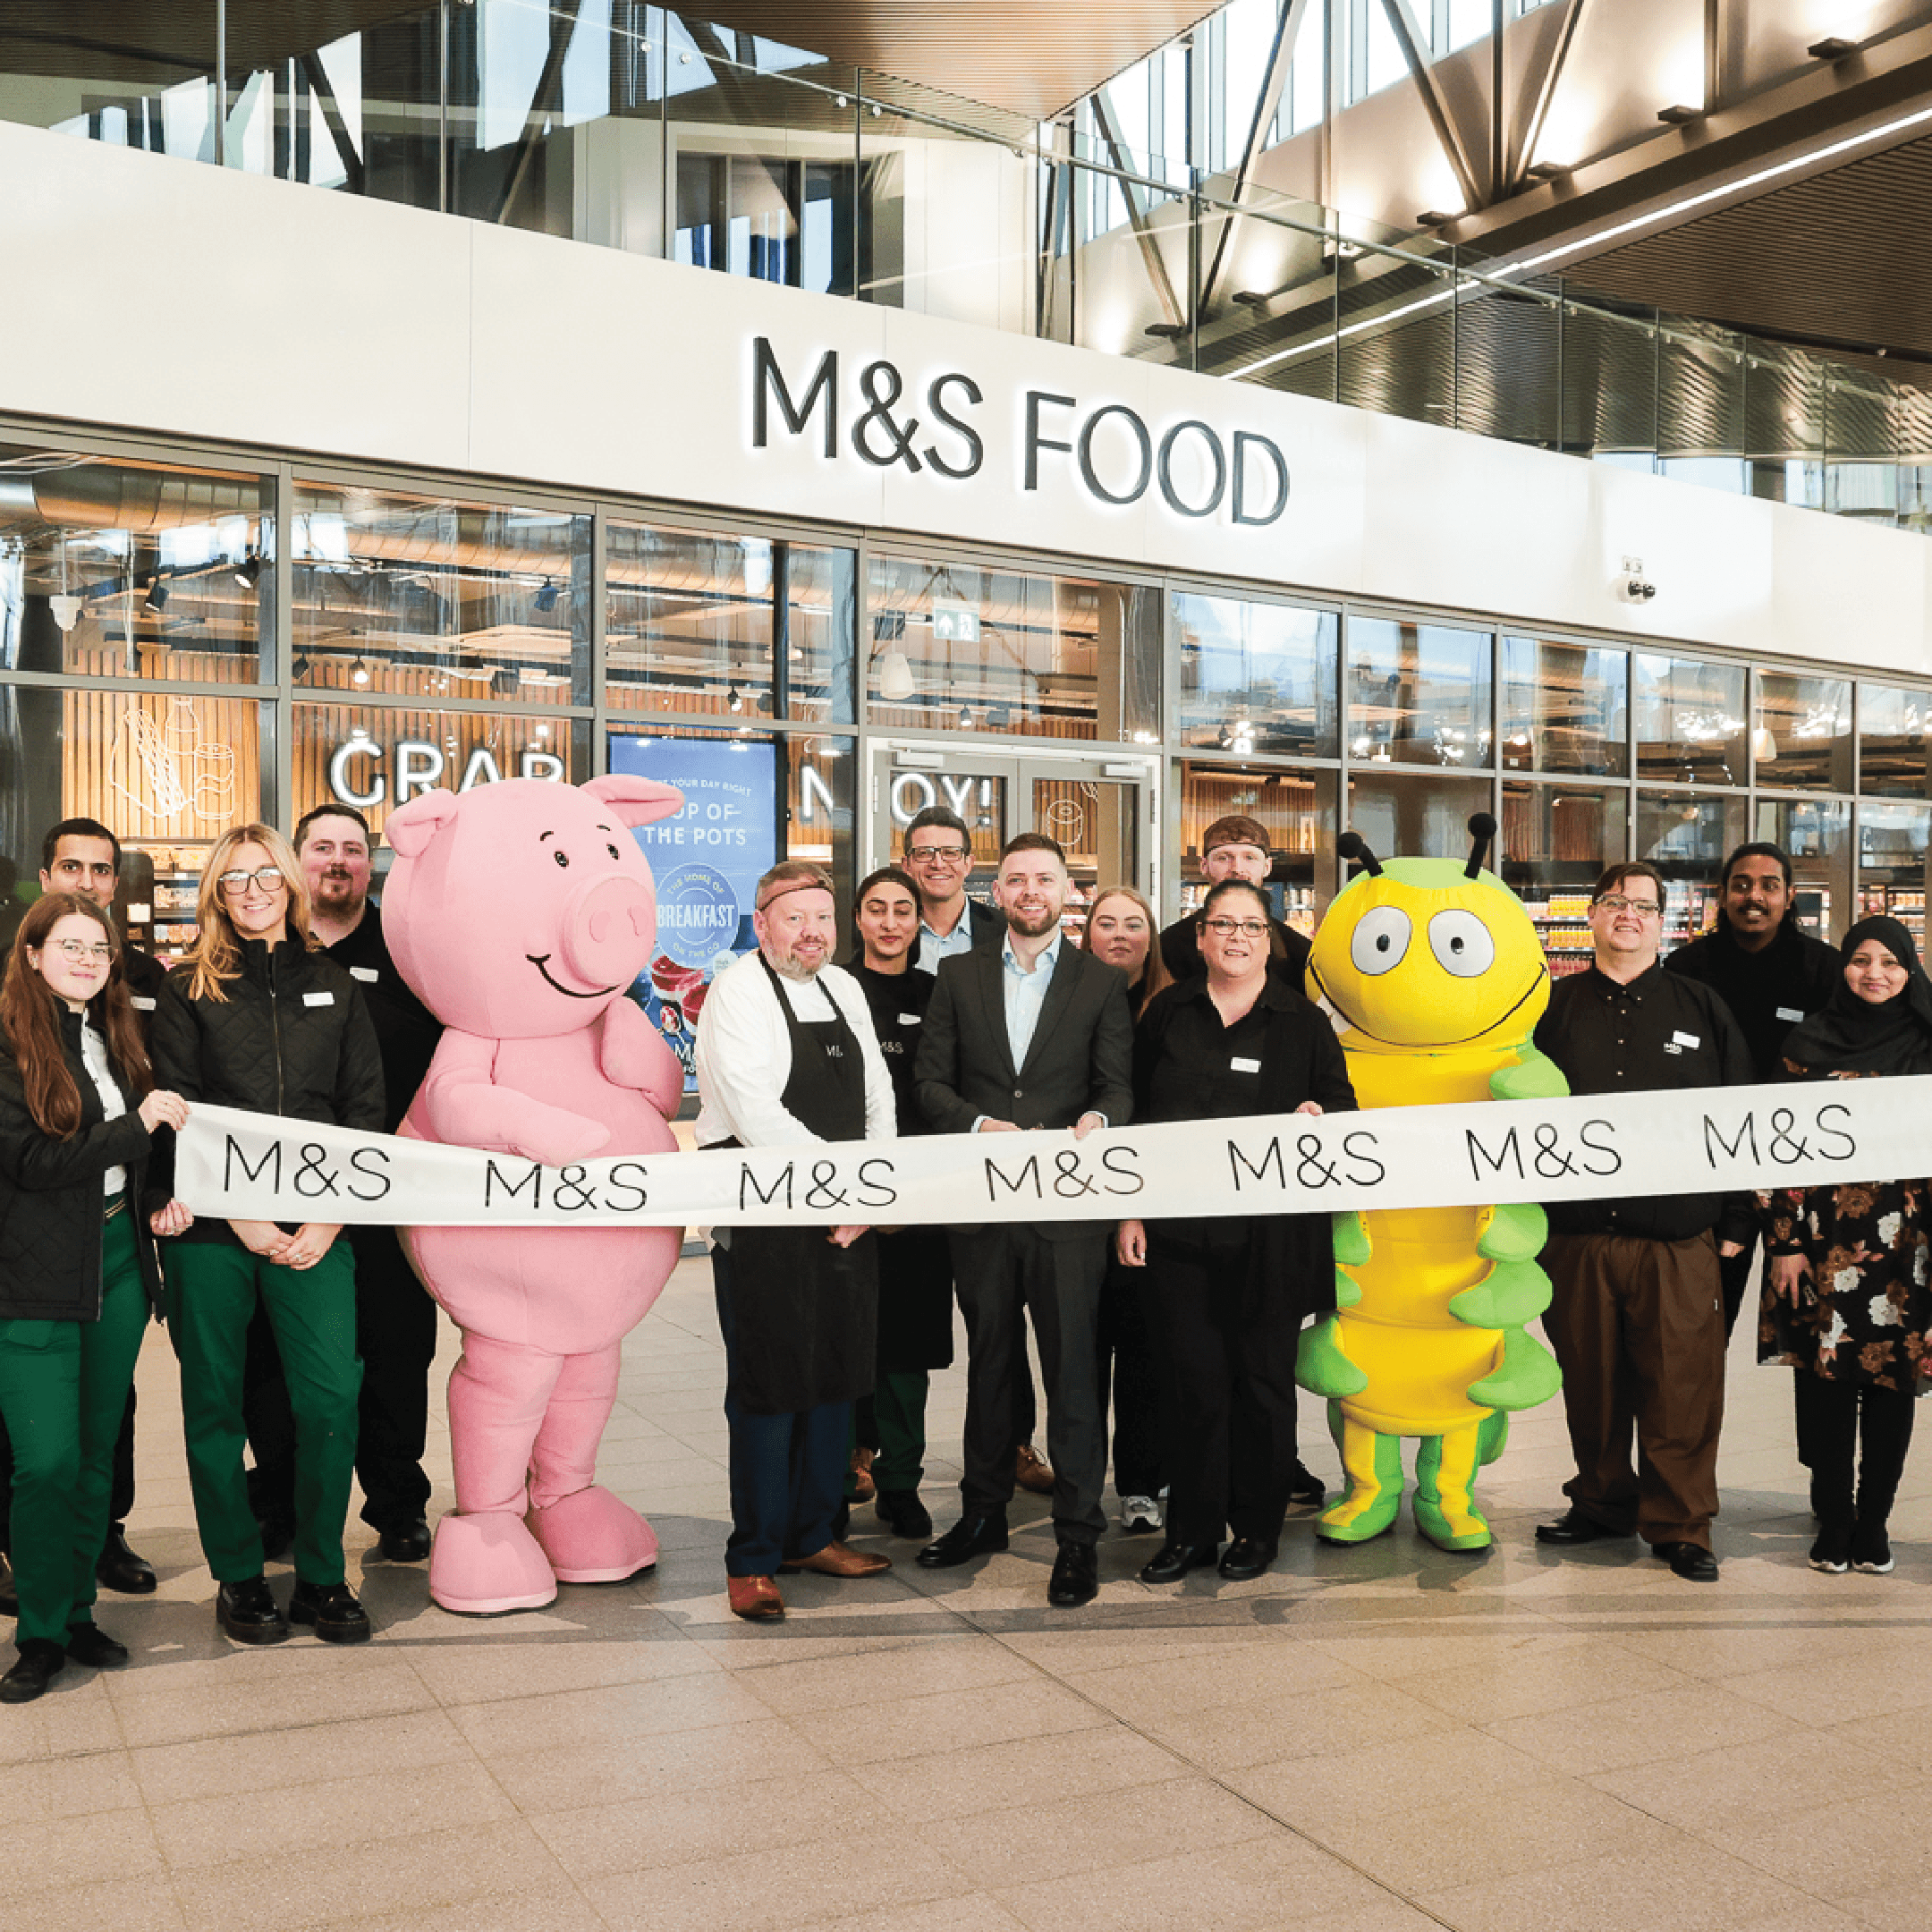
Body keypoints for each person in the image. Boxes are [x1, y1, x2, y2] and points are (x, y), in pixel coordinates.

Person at [151, 824, 384, 1645]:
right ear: (216, 892)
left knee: (329, 1397)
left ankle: (323, 1575)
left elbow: (363, 1112)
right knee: (213, 1404)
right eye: (234, 880)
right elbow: (174, 1110)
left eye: (265, 876)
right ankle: (239, 1577)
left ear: (290, 882)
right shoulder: (191, 988)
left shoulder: (336, 984)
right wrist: (247, 1221)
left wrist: (325, 1220)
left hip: (318, 1230)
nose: (252, 891)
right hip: (217, 1232)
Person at [914, 832, 1134, 1608]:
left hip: (1068, 1217)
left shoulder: (1101, 983)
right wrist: (976, 1127)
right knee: (993, 1369)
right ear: (997, 892)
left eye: (1045, 878)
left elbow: (1117, 1085)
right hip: (983, 1213)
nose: (1031, 890)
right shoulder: (958, 974)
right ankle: (982, 1515)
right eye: (1016, 880)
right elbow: (930, 1081)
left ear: (1067, 892)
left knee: (1074, 1372)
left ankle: (1078, 1537)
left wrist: (1101, 1122)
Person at [1119, 879, 1356, 1582]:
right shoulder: (1169, 1013)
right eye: (1223, 924)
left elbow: (1343, 1108)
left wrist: (1321, 1114)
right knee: (1190, 1386)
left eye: (1252, 926)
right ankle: (1191, 1531)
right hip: (1179, 1236)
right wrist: (1129, 1211)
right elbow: (1133, 1119)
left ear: (1270, 939)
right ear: (1200, 937)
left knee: (1261, 1387)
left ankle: (1256, 1530)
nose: (1237, 938)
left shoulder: (1302, 1022)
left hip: (1270, 1242)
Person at [1532, 860, 1754, 1583]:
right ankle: (1600, 1502)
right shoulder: (1551, 1010)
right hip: (1577, 1238)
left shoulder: (1702, 1008)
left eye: (1644, 906)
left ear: (1664, 922)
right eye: (1614, 902)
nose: (1628, 914)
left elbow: (1738, 1120)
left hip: (1678, 1239)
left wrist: (1736, 1222)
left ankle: (1682, 1524)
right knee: (1590, 1384)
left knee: (1681, 1385)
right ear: (1591, 917)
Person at [0, 894, 191, 1701]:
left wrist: (155, 1198)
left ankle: (75, 1613)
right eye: (69, 945)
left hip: (117, 1256)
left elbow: (128, 1157)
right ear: (34, 952)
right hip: (32, 1273)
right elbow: (37, 1164)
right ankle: (38, 1632)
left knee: (92, 1459)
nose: (87, 959)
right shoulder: (11, 1041)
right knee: (44, 1464)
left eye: (99, 948)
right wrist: (138, 1127)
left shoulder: (117, 1037)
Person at [694, 860, 896, 1620]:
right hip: (766, 1209)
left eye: (822, 918)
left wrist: (872, 1187)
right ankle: (753, 1557)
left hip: (847, 1209)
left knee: (838, 1375)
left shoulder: (845, 988)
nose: (812, 933)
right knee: (769, 1385)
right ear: (762, 922)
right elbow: (755, 1111)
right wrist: (837, 1188)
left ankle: (816, 1533)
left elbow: (877, 1093)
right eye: (795, 918)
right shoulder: (737, 991)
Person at [243, 805, 443, 1563]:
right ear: (297, 861)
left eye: (353, 851)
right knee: (275, 1357)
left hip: (388, 1192)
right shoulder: (266, 949)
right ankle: (283, 1503)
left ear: (371, 865)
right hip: (281, 1195)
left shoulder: (409, 951)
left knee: (395, 1352)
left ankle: (397, 1503)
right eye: (322, 848)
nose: (338, 861)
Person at [1759, 917, 1932, 1575]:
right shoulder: (1806, 1044)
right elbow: (1773, 1147)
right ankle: (1833, 1519)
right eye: (1860, 960)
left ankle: (1874, 1523)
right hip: (1821, 1244)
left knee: (1893, 1386)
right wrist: (1783, 1244)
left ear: (1911, 969)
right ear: (1843, 968)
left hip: (1908, 1248)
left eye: (1891, 962)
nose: (1875, 973)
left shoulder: (1927, 1042)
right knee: (1827, 1386)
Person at [902, 804, 1053, 1499]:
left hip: (998, 1162)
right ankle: (874, 1449)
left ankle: (1013, 1444)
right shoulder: (886, 927)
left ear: (971, 866)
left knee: (999, 1317)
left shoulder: (1010, 934)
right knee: (903, 1312)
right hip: (912, 1153)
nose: (937, 862)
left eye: (951, 851)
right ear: (907, 861)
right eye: (923, 851)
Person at [1665, 843, 1839, 1335]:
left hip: (1803, 1159)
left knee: (1819, 1319)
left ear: (1790, 896)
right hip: (1715, 1161)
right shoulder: (1687, 968)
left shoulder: (1823, 969)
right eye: (1741, 885)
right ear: (1723, 895)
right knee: (1701, 1321)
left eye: (1769, 885)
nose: (1754, 896)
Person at [846, 865, 954, 1540]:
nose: (890, 922)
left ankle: (901, 1483)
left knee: (908, 1349)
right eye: (877, 909)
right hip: (842, 1200)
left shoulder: (939, 995)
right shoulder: (829, 990)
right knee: (842, 1344)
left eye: (903, 910)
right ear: (857, 919)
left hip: (918, 1200)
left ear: (919, 921)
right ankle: (836, 1475)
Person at [1080, 886, 1172, 1534]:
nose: (1119, 935)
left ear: (1151, 936)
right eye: (1106, 924)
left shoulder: (1174, 1009)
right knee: (1081, 1359)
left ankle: (1141, 1484)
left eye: (1133, 925)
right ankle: (1081, 1485)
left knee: (1144, 1356)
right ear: (1086, 934)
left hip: (1153, 1211)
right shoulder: (1067, 1002)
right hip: (1080, 1207)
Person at [1157, 814, 1309, 991]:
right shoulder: (1168, 947)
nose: (1237, 869)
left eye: (1249, 858)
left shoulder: (1299, 953)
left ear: (1267, 867)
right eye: (1224, 858)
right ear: (1204, 866)